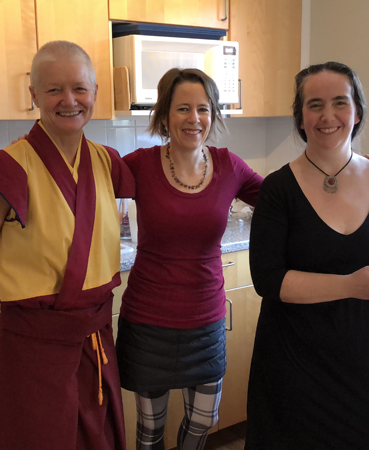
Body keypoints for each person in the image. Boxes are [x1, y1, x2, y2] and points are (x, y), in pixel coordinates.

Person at [0, 41, 134, 450]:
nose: (69, 100)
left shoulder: (107, 161)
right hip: (33, 343)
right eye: (54, 90)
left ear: (95, 92)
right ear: (33, 95)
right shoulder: (7, 168)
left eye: (79, 88)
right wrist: (20, 270)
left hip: (95, 337)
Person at [246, 61, 369, 449]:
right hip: (295, 364)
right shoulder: (278, 188)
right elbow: (268, 279)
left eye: (340, 102)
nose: (328, 115)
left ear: (358, 110)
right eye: (314, 105)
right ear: (300, 118)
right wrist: (350, 285)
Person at [114, 68, 264, 450]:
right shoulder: (139, 164)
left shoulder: (229, 165)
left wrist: (348, 174)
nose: (194, 119)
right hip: (149, 321)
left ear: (213, 114)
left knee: (202, 423)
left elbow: (282, 200)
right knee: (150, 430)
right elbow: (83, 184)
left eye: (203, 109)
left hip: (206, 320)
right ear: (164, 115)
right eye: (183, 108)